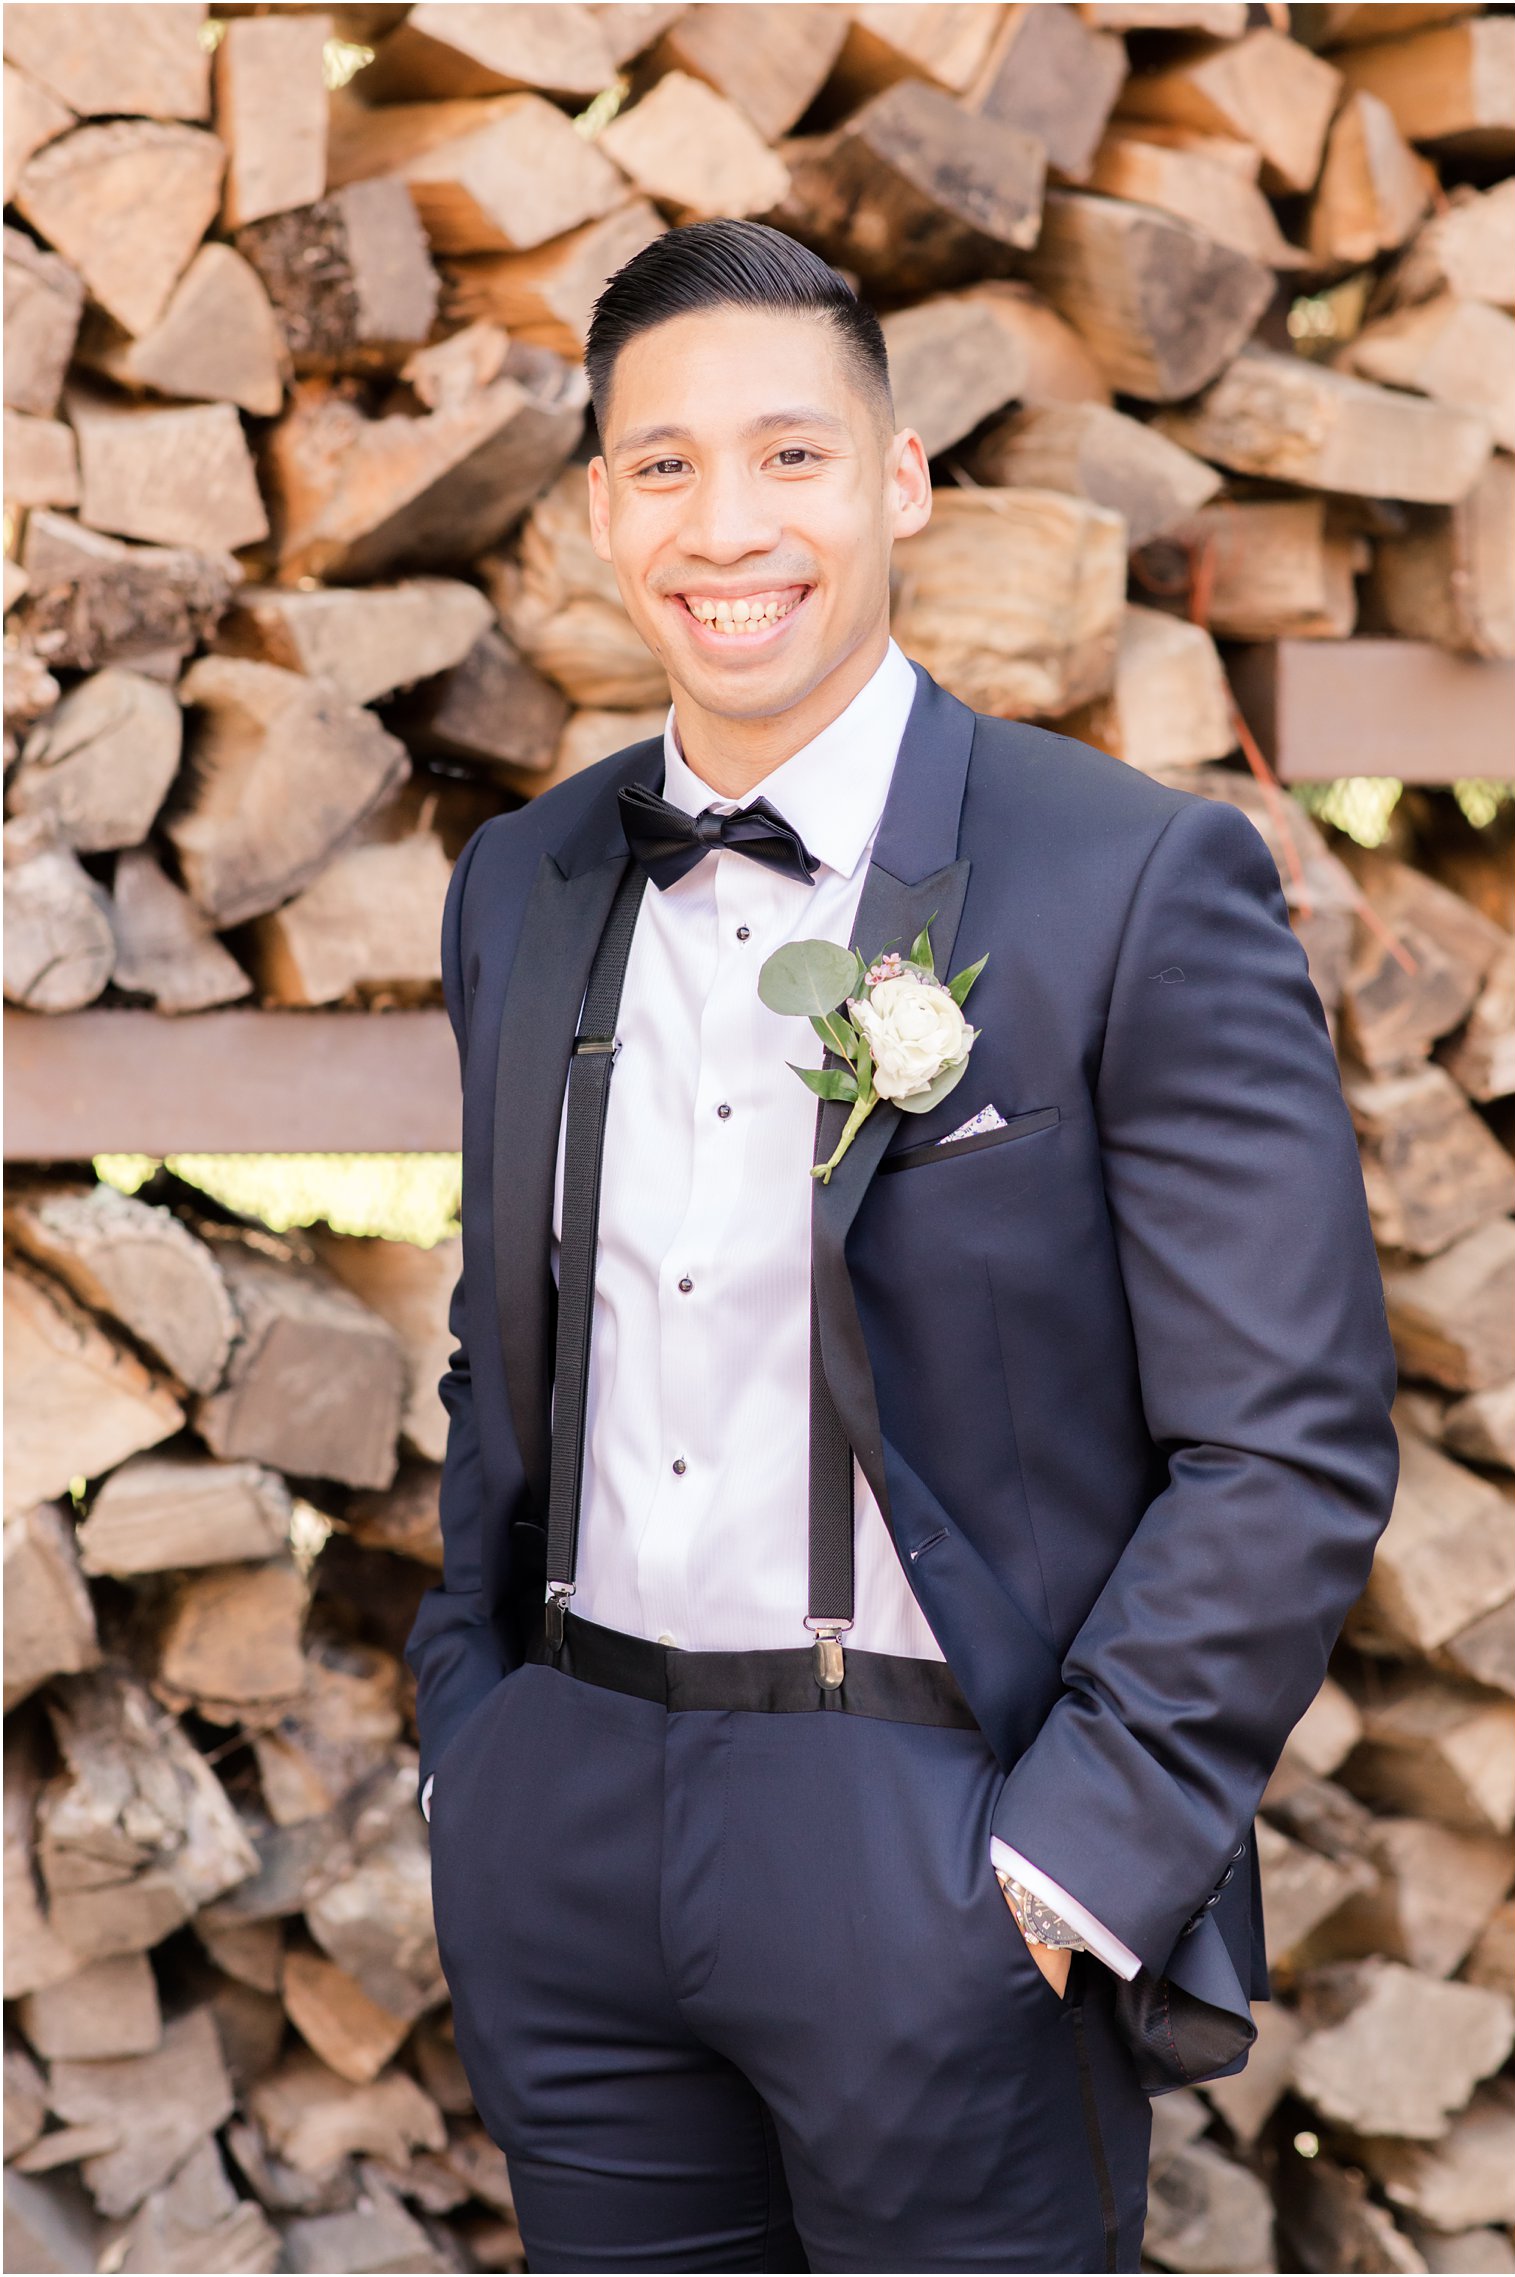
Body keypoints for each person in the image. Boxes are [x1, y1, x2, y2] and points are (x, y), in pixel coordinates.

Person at [406, 220, 1398, 2274]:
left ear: (898, 480)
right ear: (600, 509)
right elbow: (508, 1339)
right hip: (569, 1820)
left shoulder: (1125, 877)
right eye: (662, 465)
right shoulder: (524, 877)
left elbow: (1283, 1445)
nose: (724, 522)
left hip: (933, 1832)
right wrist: (474, 1746)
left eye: (788, 454)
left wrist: (1061, 1862)